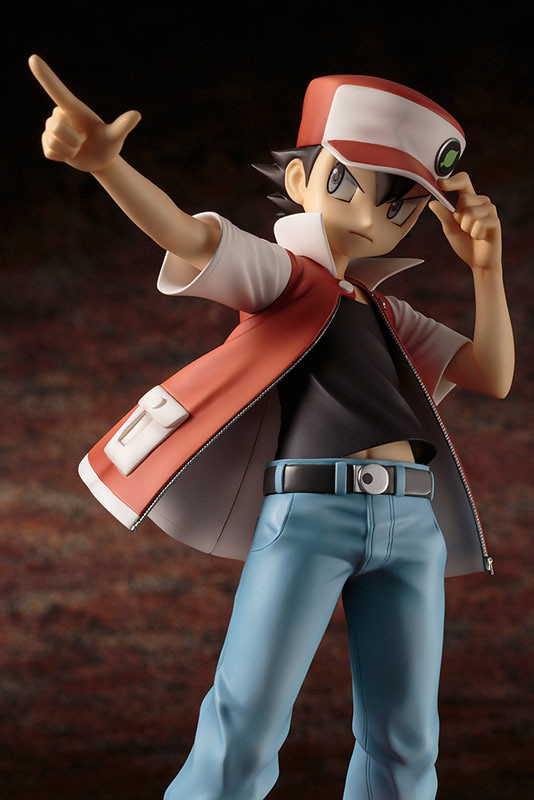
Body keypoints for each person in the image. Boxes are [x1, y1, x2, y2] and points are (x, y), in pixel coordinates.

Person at [29, 57, 514, 799]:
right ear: (298, 179)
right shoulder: (285, 279)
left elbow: (492, 373)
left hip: (412, 523)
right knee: (245, 725)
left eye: (403, 204)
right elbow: (190, 238)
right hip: (311, 512)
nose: (375, 214)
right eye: (348, 181)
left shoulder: (388, 314)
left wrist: (486, 266)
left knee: (407, 743)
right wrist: (107, 168)